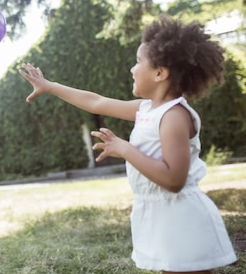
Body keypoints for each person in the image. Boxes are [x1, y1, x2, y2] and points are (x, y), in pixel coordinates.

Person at [19, 15, 237, 274]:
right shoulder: (147, 108)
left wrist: (124, 149)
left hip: (182, 218)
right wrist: (50, 86)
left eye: (137, 62)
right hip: (161, 213)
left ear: (159, 73)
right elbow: (96, 102)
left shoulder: (174, 117)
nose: (132, 69)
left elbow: (173, 180)